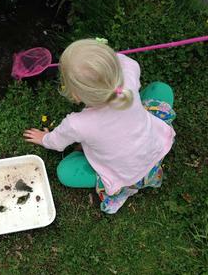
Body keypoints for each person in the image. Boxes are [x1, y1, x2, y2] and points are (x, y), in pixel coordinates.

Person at [23, 39, 176, 214]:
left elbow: (57, 143)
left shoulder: (77, 124)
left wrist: (44, 138)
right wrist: (102, 55)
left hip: (126, 176)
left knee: (65, 172)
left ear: (75, 95)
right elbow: (126, 62)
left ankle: (118, 187)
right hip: (155, 151)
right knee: (161, 89)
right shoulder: (128, 77)